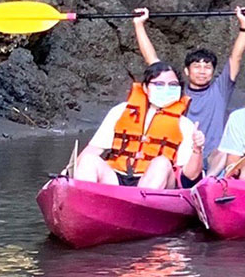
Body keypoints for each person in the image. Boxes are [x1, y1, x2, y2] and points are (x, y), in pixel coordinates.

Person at [133, 6, 245, 176]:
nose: (202, 71)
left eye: (207, 67)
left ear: (213, 71)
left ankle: (207, 183)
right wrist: (139, 25)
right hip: (183, 156)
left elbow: (236, 57)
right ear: (187, 71)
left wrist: (244, 26)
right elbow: (152, 61)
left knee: (226, 150)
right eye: (197, 66)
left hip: (213, 160)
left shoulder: (220, 89)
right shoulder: (174, 91)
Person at [70, 61, 205, 189]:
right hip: (116, 177)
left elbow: (190, 176)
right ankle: (84, 200)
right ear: (145, 88)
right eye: (159, 84)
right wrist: (66, 174)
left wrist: (197, 150)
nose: (166, 88)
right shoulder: (120, 111)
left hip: (154, 182)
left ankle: (141, 206)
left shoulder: (185, 124)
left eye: (173, 85)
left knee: (162, 163)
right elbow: (93, 149)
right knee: (88, 160)